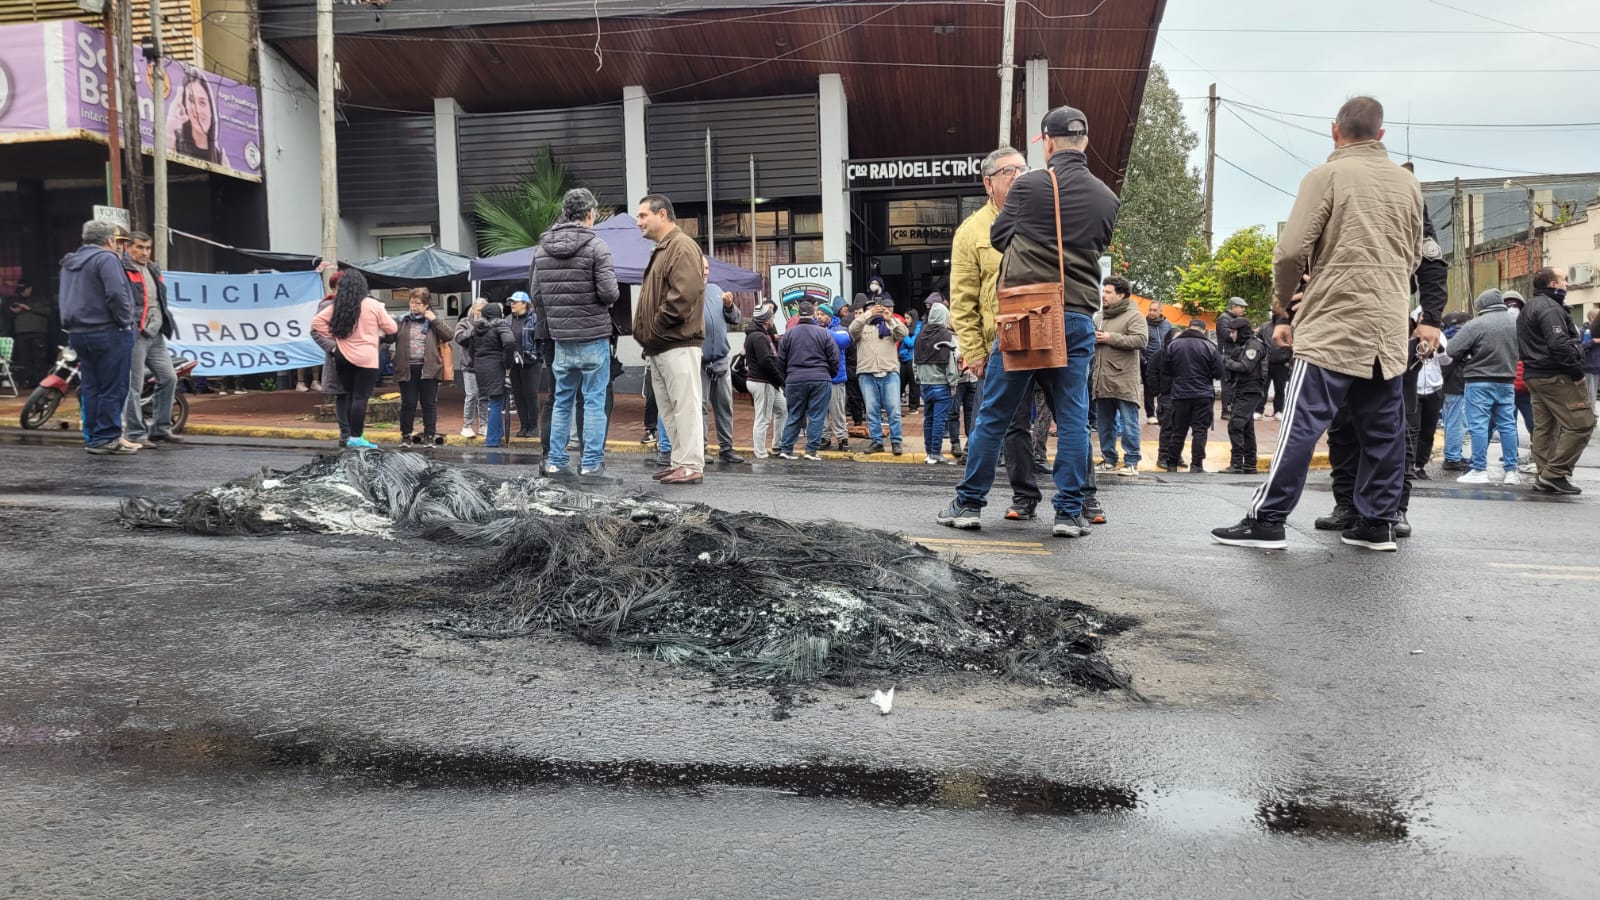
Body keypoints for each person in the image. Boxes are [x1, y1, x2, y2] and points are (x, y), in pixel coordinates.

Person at [1213, 97, 1425, 552]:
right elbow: (1413, 255)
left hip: (1334, 319)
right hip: (1387, 325)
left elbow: (1290, 251)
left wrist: (1284, 309)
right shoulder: (1408, 184)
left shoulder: (1326, 176)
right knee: (1386, 429)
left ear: (1334, 131)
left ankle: (1267, 519)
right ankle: (1377, 522)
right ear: (1381, 135)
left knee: (1301, 422)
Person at [936, 105, 1118, 537]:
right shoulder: (1106, 197)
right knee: (1072, 417)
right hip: (1076, 315)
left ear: (1047, 142)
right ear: (1086, 142)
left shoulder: (1030, 185)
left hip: (1026, 314)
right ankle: (1070, 512)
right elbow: (1099, 242)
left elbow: (1000, 237)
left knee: (994, 416)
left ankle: (969, 504)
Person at [1312, 191, 1447, 536]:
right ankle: (1346, 503)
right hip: (1339, 326)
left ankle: (1393, 508)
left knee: (1393, 424)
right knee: (1342, 423)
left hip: (1389, 327)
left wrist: (1429, 317)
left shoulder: (1405, 195)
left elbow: (1431, 263)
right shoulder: (1338, 191)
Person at [535, 188, 620, 476]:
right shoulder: (598, 247)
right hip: (593, 335)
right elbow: (609, 294)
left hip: (560, 338)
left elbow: (537, 296)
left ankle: (557, 462)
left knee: (562, 401)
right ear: (590, 214)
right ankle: (591, 464)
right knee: (594, 401)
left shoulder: (541, 249)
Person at [633, 194, 707, 485]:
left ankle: (690, 463)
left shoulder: (681, 246)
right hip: (663, 343)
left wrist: (654, 329)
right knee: (671, 409)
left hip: (676, 342)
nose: (638, 222)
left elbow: (683, 296)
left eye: (642, 216)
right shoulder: (664, 248)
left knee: (685, 406)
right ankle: (680, 462)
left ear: (662, 214)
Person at [58, 220, 139, 455]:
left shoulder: (70, 262)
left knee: (91, 386)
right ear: (110, 240)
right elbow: (116, 293)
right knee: (114, 387)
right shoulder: (106, 258)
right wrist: (125, 321)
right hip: (109, 331)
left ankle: (94, 437)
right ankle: (107, 436)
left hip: (78, 333)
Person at [1518, 267, 1595, 495]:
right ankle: (1554, 473)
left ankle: (1546, 475)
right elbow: (1559, 344)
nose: (1566, 284)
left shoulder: (1531, 306)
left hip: (1535, 374)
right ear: (1553, 284)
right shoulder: (1550, 308)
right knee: (1582, 423)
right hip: (1556, 375)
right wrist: (1576, 373)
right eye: (1563, 280)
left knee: (1545, 427)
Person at [312, 270, 396, 450]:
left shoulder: (337, 306)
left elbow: (316, 323)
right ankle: (356, 437)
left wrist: (337, 337)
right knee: (360, 397)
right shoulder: (373, 304)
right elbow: (392, 328)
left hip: (342, 356)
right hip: (366, 357)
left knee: (348, 396)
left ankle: (349, 435)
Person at [1447, 290, 1521, 484]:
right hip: (1506, 380)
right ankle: (1512, 471)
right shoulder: (1516, 322)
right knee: (1507, 426)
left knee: (1478, 425)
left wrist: (1470, 355)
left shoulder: (1476, 324)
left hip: (1478, 381)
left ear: (1481, 306)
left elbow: (1451, 349)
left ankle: (1479, 469)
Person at [119, 231, 180, 446]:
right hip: (135, 333)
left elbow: (158, 300)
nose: (144, 252)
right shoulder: (121, 270)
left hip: (155, 333)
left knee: (169, 378)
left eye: (147, 248)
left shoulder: (152, 268)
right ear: (128, 247)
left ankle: (161, 429)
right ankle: (135, 433)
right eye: (139, 247)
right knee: (133, 386)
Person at [1091, 275, 1147, 476]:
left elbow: (1141, 340)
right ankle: (1109, 459)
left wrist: (1109, 337)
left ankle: (1131, 461)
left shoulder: (1134, 316)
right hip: (1102, 378)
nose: (1103, 295)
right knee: (1104, 424)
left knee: (1129, 422)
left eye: (1108, 292)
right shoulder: (1099, 317)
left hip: (1124, 379)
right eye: (1103, 291)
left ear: (1121, 295)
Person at [776, 300, 839, 460]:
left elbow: (780, 360)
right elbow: (834, 358)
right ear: (813, 314)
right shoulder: (823, 333)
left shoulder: (789, 334)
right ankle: (811, 451)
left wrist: (786, 377)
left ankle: (786, 448)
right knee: (817, 416)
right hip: (820, 378)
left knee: (794, 415)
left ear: (798, 314)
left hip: (795, 378)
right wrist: (828, 374)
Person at [388, 287, 452, 445]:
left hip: (428, 368)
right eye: (411, 302)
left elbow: (449, 335)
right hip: (406, 368)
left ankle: (429, 435)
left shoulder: (433, 320)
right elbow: (389, 339)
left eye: (417, 303)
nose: (413, 306)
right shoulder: (403, 320)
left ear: (426, 305)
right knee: (408, 403)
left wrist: (434, 320)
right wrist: (388, 324)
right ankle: (406, 435)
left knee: (428, 403)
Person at [1156, 319, 1222, 472]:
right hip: (1203, 394)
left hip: (1180, 394)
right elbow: (1219, 372)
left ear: (1188, 328)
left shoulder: (1173, 345)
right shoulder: (1210, 346)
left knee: (1178, 430)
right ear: (1204, 331)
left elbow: (1165, 369)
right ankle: (1197, 465)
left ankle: (1172, 463)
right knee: (1200, 430)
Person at [698, 256, 746, 463]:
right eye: (702, 267)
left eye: (708, 267)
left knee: (725, 406)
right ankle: (700, 448)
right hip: (700, 363)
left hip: (721, 361)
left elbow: (735, 319)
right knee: (699, 407)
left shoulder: (716, 290)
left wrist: (729, 306)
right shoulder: (686, 293)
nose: (706, 271)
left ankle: (726, 448)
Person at [849, 289, 908, 454]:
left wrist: (891, 319)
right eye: (873, 309)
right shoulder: (862, 326)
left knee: (894, 410)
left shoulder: (889, 324)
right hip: (867, 373)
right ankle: (877, 441)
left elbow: (903, 334)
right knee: (872, 410)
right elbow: (852, 330)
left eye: (878, 309)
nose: (877, 311)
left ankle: (896, 442)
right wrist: (866, 315)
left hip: (889, 372)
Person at [455, 301, 516, 449]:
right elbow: (509, 342)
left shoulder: (477, 329)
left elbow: (470, 347)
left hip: (480, 368)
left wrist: (477, 361)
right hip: (495, 367)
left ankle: (497, 432)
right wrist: (507, 362)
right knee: (496, 403)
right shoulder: (499, 325)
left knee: (487, 400)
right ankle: (493, 440)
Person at [1221, 317, 1268, 474]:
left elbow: (1245, 367)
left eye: (1233, 332)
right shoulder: (1245, 345)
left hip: (1250, 391)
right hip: (1243, 390)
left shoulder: (1253, 345)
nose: (1231, 336)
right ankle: (1249, 464)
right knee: (1246, 429)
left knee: (1235, 425)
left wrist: (1226, 362)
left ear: (1241, 332)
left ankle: (1237, 464)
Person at [915, 302, 960, 464]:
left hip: (924, 384)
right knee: (939, 421)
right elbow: (951, 363)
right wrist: (953, 383)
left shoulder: (920, 335)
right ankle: (935, 453)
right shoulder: (946, 336)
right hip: (941, 384)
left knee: (928, 419)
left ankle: (929, 453)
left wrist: (919, 379)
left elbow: (915, 362)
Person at [744, 302, 787, 458]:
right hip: (763, 381)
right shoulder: (759, 337)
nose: (773, 319)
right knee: (763, 418)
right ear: (765, 320)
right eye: (771, 317)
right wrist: (779, 378)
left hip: (766, 382)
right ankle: (760, 452)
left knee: (782, 410)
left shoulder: (759, 335)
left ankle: (777, 445)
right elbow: (765, 361)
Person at [314, 270, 350, 445]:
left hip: (357, 356)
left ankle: (356, 433)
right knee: (342, 395)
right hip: (338, 358)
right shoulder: (327, 307)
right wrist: (333, 348)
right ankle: (346, 434)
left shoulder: (358, 304)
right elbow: (316, 332)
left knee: (356, 395)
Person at [168, 66, 227, 167]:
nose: (197, 110)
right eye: (191, 101)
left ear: (211, 108)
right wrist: (170, 125)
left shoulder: (220, 158)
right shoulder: (175, 143)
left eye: (202, 102)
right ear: (184, 105)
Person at [4, 280, 56, 389]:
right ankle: (28, 381)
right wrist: (14, 312)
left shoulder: (40, 299)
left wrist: (29, 308)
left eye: (25, 289)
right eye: (21, 291)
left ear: (30, 288)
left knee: (40, 358)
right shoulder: (15, 300)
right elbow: (7, 316)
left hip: (38, 332)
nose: (23, 292)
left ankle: (41, 382)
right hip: (21, 333)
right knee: (25, 359)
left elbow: (47, 311)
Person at [1437, 311, 1471, 472]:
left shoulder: (1445, 336)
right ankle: (1452, 457)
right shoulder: (1459, 338)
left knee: (1451, 421)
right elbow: (1449, 363)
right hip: (1457, 385)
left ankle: (1453, 455)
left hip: (1448, 386)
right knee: (1456, 423)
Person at [506, 291, 541, 439]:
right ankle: (523, 425)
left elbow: (539, 340)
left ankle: (533, 427)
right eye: (511, 301)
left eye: (515, 301)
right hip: (514, 364)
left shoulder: (534, 319)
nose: (512, 304)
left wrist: (534, 356)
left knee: (531, 394)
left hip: (531, 362)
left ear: (524, 303)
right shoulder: (507, 320)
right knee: (518, 395)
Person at [819, 301, 852, 451]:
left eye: (822, 314)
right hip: (819, 376)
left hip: (836, 377)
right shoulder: (814, 328)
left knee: (837, 411)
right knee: (821, 411)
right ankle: (824, 438)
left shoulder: (840, 329)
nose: (819, 317)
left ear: (829, 316)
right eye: (817, 314)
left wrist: (823, 332)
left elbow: (844, 341)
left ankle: (842, 438)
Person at [457, 297, 488, 437]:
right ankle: (467, 426)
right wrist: (475, 330)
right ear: (473, 309)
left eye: (483, 311)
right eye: (478, 310)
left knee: (484, 397)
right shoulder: (464, 322)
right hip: (469, 365)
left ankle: (484, 425)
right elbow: (460, 338)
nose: (480, 313)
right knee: (472, 395)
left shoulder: (489, 323)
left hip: (484, 365)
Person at [1141, 300, 1172, 423]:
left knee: (1165, 385)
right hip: (1148, 361)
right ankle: (1150, 414)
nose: (1152, 312)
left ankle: (1163, 410)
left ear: (1160, 311)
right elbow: (1141, 344)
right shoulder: (1143, 324)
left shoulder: (1167, 324)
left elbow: (1170, 340)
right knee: (1149, 388)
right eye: (1150, 310)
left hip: (1164, 360)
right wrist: (1144, 361)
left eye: (1155, 310)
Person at [1215, 296, 1248, 413]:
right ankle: (1226, 411)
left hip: (1234, 356)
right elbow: (1227, 336)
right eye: (1241, 307)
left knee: (1234, 385)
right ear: (1233, 306)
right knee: (1228, 385)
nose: (1243, 310)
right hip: (1226, 356)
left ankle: (1231, 409)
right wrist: (1245, 333)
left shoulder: (1234, 318)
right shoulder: (1223, 318)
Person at [899, 306, 922, 413]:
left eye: (908, 318)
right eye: (905, 318)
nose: (906, 320)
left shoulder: (918, 328)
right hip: (903, 358)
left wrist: (903, 334)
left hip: (912, 359)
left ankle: (914, 406)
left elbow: (911, 343)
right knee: (900, 382)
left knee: (914, 384)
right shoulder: (906, 328)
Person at [1583, 308, 1600, 412]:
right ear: (1593, 317)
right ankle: (1590, 415)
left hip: (1597, 366)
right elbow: (1581, 346)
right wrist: (1593, 341)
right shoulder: (1585, 330)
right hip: (1590, 367)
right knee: (1591, 394)